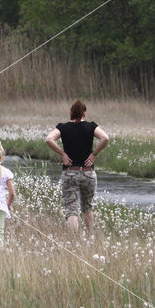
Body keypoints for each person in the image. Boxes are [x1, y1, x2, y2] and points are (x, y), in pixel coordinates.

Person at [45, 100, 109, 233]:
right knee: (87, 207)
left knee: (71, 209)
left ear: (71, 113)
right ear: (84, 113)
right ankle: (90, 236)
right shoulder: (91, 126)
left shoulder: (63, 127)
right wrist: (94, 154)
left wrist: (62, 153)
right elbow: (105, 138)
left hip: (70, 173)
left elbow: (49, 139)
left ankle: (73, 241)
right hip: (88, 173)